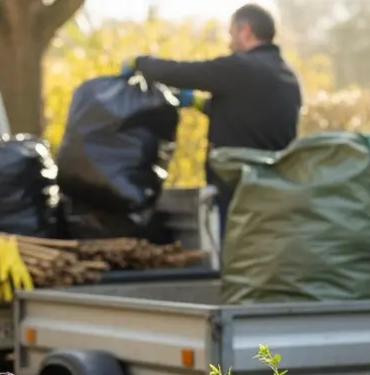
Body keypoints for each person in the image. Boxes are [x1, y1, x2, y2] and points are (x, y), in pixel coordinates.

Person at [122, 4, 303, 241]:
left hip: (236, 188)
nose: (229, 43)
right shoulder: (286, 77)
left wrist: (141, 62)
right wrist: (199, 104)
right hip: (274, 189)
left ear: (245, 30)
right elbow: (252, 116)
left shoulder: (240, 67)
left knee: (234, 255)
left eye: (231, 34)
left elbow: (185, 73)